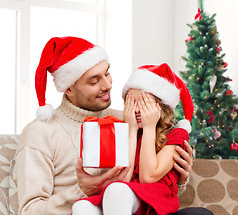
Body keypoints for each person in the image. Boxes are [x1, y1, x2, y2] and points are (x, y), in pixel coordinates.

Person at [15, 36, 211, 215]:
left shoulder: (128, 118)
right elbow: (29, 211)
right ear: (68, 88)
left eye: (107, 73)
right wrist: (81, 191)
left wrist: (179, 175)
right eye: (94, 81)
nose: (108, 85)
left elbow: (151, 180)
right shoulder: (40, 132)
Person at [71, 63, 212, 215]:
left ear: (161, 106)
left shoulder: (176, 134)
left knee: (117, 190)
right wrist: (131, 128)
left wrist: (149, 127)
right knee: (81, 207)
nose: (136, 110)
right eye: (131, 103)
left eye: (144, 103)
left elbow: (148, 177)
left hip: (154, 200)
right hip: (126, 198)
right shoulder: (125, 132)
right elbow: (124, 179)